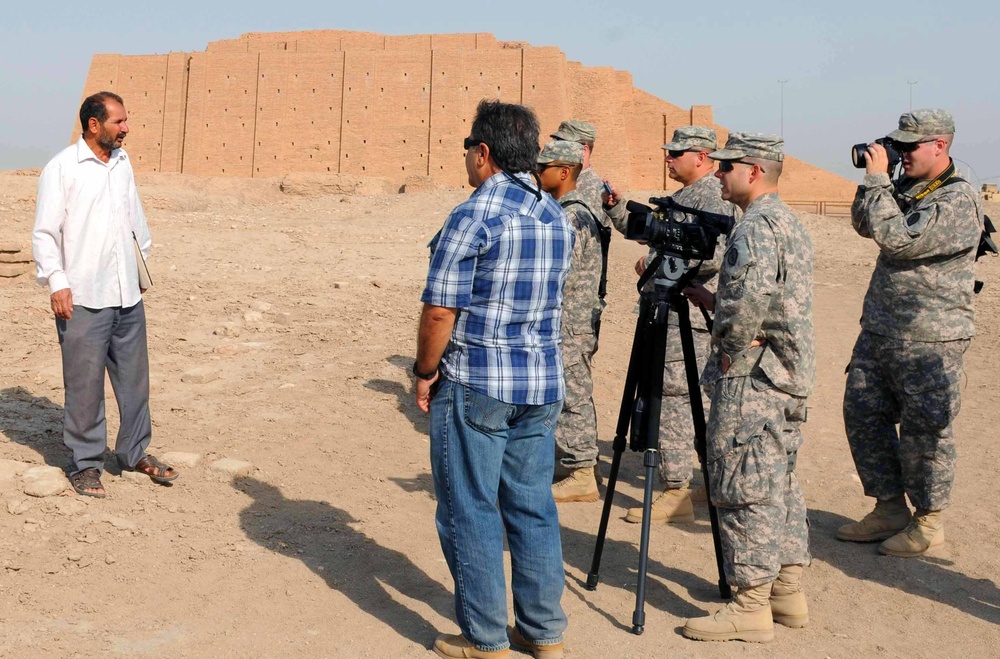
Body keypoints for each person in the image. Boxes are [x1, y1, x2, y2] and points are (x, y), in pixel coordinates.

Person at [414, 100, 572, 659]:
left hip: (479, 381)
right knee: (532, 506)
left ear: (483, 153)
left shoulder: (474, 215)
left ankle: (485, 640)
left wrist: (424, 371)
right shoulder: (556, 215)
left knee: (471, 508)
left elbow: (439, 311)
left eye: (467, 149)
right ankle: (542, 631)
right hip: (541, 384)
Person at [679, 133, 814, 643]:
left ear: (753, 171)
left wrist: (727, 337)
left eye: (727, 167)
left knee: (742, 486)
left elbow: (744, 314)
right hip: (787, 374)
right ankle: (787, 592)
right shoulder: (788, 221)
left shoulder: (754, 229)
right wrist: (720, 304)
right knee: (780, 481)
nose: (718, 174)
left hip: (754, 378)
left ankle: (750, 605)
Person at [837, 109, 983, 558]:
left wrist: (881, 183)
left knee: (927, 429)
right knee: (863, 413)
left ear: (941, 145)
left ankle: (929, 520)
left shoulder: (957, 198)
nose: (902, 154)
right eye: (897, 145)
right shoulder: (906, 186)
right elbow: (867, 225)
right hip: (881, 327)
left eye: (910, 146)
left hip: (931, 337)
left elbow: (899, 240)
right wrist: (876, 180)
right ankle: (889, 508)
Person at [32, 91, 178, 499]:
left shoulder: (122, 164)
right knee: (84, 386)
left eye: (126, 120)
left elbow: (135, 217)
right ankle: (85, 465)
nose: (126, 128)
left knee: (134, 382)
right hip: (81, 297)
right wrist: (57, 282)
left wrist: (140, 266)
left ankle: (134, 453)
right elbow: (45, 232)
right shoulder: (62, 168)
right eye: (119, 121)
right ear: (94, 125)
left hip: (126, 294)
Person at [604, 126, 741, 524]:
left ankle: (676, 488)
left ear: (702, 157)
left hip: (689, 313)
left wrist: (656, 266)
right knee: (677, 394)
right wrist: (617, 209)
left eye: (677, 153)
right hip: (670, 307)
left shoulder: (712, 196)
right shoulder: (684, 196)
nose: (668, 158)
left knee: (676, 398)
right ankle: (705, 481)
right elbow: (658, 234)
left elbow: (713, 254)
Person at [536, 140, 605, 503]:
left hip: (570, 322)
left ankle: (581, 472)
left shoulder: (571, 217)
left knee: (573, 395)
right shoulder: (566, 209)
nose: (538, 171)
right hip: (571, 320)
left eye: (544, 166)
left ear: (564, 172)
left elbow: (558, 273)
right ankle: (576, 463)